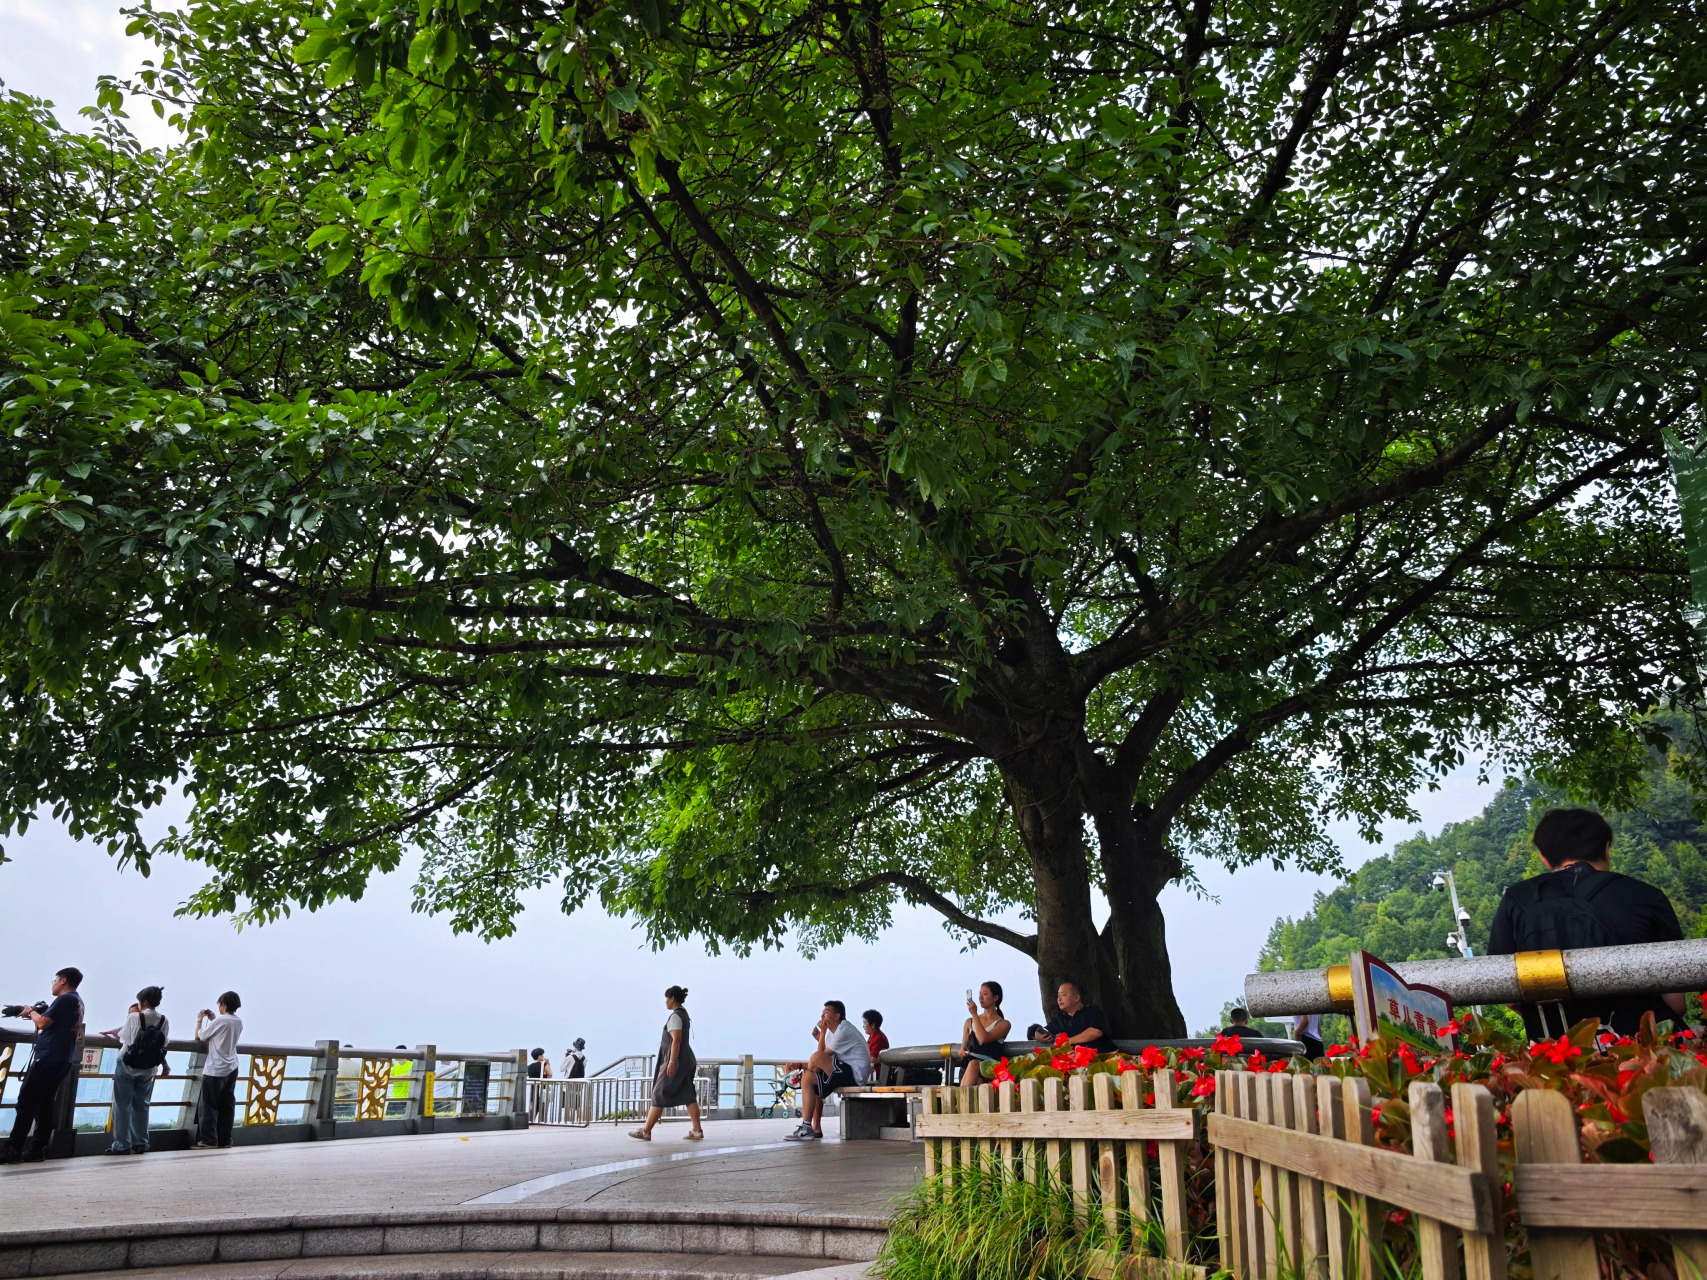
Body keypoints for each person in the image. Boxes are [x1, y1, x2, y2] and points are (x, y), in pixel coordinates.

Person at [1488, 807, 1687, 1039]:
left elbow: (1506, 993)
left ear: (1544, 858)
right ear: (1606, 849)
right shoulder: (1647, 895)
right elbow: (1676, 1003)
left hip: (1558, 1059)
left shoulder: (1517, 900)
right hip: (1638, 1057)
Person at [0, 967, 86, 1164]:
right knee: (45, 1105)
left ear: (63, 980)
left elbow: (43, 1024)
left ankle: (13, 1149)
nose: (53, 984)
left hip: (48, 1058)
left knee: (26, 1103)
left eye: (54, 980)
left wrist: (31, 1011)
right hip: (61, 1060)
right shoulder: (78, 1001)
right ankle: (37, 1149)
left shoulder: (66, 999)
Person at [783, 1000, 870, 1141]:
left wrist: (822, 1033)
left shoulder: (843, 1030)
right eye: (822, 1012)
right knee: (808, 1079)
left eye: (826, 1012)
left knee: (813, 1068)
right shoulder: (832, 1033)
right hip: (842, 1070)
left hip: (855, 1075)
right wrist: (802, 1067)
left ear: (837, 1016)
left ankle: (800, 1080)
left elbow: (820, 1057)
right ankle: (807, 1127)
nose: (822, 1015)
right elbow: (820, 1058)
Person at [101, 985, 171, 1156]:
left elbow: (125, 1039)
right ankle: (140, 1143)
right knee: (142, 1105)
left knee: (122, 1106)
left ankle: (121, 1145)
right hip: (148, 1068)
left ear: (144, 1002)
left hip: (127, 1065)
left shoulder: (134, 1017)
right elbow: (163, 1044)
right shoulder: (164, 1020)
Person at [629, 986, 703, 1141]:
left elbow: (676, 1040)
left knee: (658, 1092)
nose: (665, 1002)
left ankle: (646, 1131)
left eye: (667, 998)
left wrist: (671, 1061)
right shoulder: (684, 1014)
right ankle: (697, 1131)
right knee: (688, 1094)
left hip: (676, 1061)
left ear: (672, 998)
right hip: (686, 1060)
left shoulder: (676, 1016)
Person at [194, 991, 243, 1149]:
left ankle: (209, 1140)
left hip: (215, 1069)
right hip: (232, 1067)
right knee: (227, 1106)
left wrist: (200, 1020)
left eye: (220, 1004)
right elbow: (223, 1031)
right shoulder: (238, 1021)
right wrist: (214, 1020)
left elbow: (200, 1036)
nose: (219, 1007)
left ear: (224, 1004)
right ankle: (225, 1140)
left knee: (209, 1106)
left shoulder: (222, 1021)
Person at [1034, 981, 1111, 1052]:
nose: (1059, 999)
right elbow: (1044, 1030)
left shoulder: (1092, 1011)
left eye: (1063, 995)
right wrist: (1038, 1035)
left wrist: (1068, 1040)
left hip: (1101, 1058)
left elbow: (1096, 1032)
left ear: (1077, 998)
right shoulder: (1060, 1020)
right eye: (1058, 995)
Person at [957, 982, 1012, 1083]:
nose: (980, 997)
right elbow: (962, 1049)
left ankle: (961, 1097)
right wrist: (962, 1051)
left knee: (974, 1064)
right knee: (978, 1082)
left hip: (990, 1068)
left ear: (995, 998)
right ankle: (964, 1096)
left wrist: (974, 1014)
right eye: (980, 994)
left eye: (985, 994)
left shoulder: (1003, 1024)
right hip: (968, 1069)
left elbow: (984, 1038)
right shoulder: (969, 1022)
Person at [862, 1010, 889, 1084]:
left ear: (873, 1025)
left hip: (876, 1074)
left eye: (865, 1023)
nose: (863, 1026)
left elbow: (873, 1059)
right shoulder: (872, 1037)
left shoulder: (879, 1038)